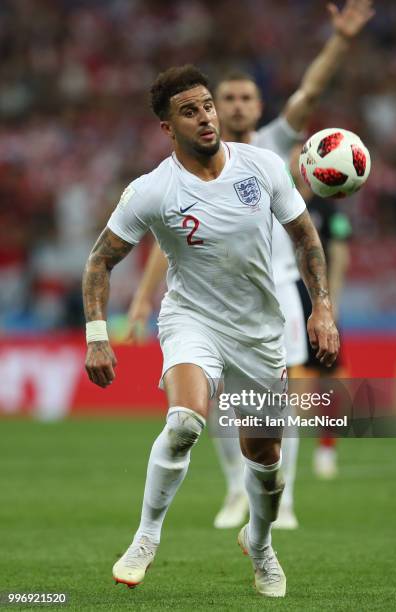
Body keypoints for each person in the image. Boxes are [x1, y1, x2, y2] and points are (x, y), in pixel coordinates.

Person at [82, 66, 338, 598]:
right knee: (184, 422)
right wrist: (97, 335)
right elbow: (99, 263)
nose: (205, 117)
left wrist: (322, 309)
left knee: (265, 459)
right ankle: (146, 537)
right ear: (167, 127)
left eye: (207, 106)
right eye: (189, 110)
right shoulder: (151, 191)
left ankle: (261, 544)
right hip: (191, 319)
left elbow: (305, 237)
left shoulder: (263, 166)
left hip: (259, 331)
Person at [126, 0, 374, 529]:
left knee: (279, 402)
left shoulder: (272, 145)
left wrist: (341, 40)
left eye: (246, 97)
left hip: (278, 293)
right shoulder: (181, 174)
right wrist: (145, 297)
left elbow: (309, 91)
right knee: (214, 400)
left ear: (260, 106)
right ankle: (237, 491)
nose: (236, 106)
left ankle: (280, 500)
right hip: (208, 297)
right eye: (229, 97)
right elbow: (167, 240)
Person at [290, 144, 352, 478]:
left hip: (320, 300)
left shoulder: (328, 209)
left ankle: (326, 449)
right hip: (287, 300)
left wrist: (332, 302)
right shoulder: (278, 201)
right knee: (293, 378)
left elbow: (340, 253)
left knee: (329, 378)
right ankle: (289, 450)